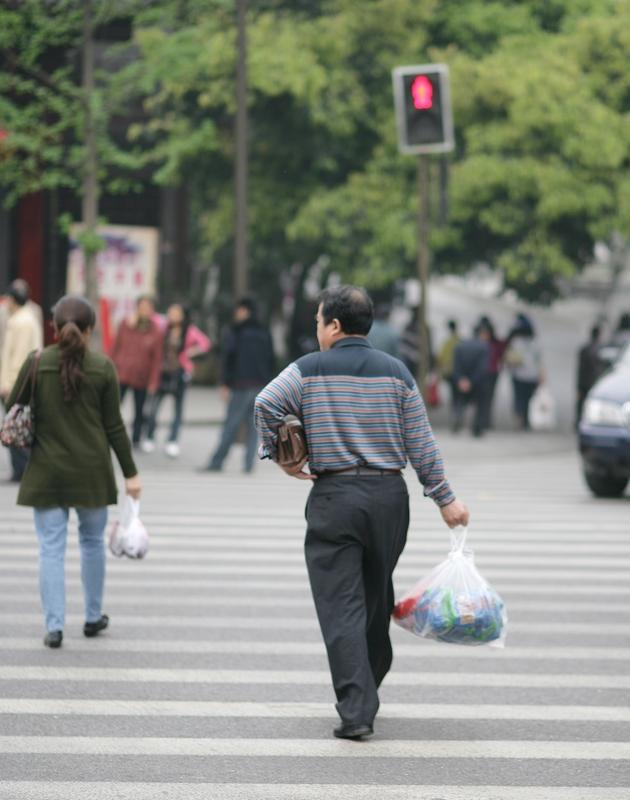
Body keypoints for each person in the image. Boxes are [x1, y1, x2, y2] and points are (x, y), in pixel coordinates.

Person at [254, 285, 469, 740]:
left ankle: (356, 708)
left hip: (335, 498)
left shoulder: (307, 370)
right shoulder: (397, 373)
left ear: (334, 325)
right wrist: (445, 499)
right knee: (374, 597)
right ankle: (369, 682)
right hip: (389, 499)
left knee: (341, 605)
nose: (316, 330)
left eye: (317, 322)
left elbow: (265, 403)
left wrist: (280, 454)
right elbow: (421, 444)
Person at [5, 295, 141, 648]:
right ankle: (93, 617)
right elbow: (115, 427)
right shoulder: (103, 367)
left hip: (47, 473)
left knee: (50, 548)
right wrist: (131, 474)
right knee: (92, 542)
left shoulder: (37, 362)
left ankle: (54, 626)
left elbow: (11, 405)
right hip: (92, 473)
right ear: (90, 329)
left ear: (53, 328)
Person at [202, 297, 275, 473]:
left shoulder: (236, 331)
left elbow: (229, 358)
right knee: (253, 428)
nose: (236, 313)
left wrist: (225, 383)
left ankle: (216, 462)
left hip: (240, 385)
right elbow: (271, 359)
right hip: (260, 385)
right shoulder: (264, 332)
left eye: (239, 310)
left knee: (231, 424)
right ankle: (249, 465)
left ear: (245, 311)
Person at [144, 303, 211, 457]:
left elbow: (205, 344)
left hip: (179, 374)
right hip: (162, 372)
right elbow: (152, 317)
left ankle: (172, 441)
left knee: (178, 410)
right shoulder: (163, 327)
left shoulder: (190, 331)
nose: (171, 314)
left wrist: (189, 352)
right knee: (153, 407)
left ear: (182, 315)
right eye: (170, 311)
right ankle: (149, 437)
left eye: (175, 312)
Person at [0, 283, 44, 481]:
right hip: (18, 380)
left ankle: (22, 469)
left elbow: (18, 358)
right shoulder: (23, 318)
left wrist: (9, 384)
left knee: (16, 425)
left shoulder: (22, 321)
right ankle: (21, 468)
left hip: (16, 382)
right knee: (18, 424)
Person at [111, 295, 163, 447]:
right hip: (121, 372)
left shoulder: (156, 331)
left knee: (139, 409)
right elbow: (115, 347)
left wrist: (154, 381)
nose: (145, 310)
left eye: (148, 308)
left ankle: (136, 438)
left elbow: (157, 359)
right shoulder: (126, 324)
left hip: (142, 376)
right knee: (114, 406)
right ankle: (111, 435)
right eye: (142, 307)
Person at [452, 324, 491, 437]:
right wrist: (472, 381)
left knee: (461, 402)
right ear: (482, 334)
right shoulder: (484, 347)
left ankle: (457, 418)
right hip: (478, 382)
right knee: (480, 405)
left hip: (462, 380)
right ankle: (477, 428)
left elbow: (456, 365)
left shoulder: (460, 345)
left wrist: (461, 379)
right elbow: (482, 367)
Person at [505, 313, 543, 430]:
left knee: (519, 397)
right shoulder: (534, 343)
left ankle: (520, 418)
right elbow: (539, 361)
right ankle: (525, 420)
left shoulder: (516, 342)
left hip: (519, 375)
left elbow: (510, 358)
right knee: (528, 398)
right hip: (532, 375)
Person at [478, 315, 506, 428]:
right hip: (481, 373)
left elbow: (501, 354)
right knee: (481, 398)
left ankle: (486, 420)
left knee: (489, 398)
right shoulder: (478, 344)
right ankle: (482, 420)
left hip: (492, 373)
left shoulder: (495, 344)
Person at [576, 325, 603, 426]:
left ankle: (579, 422)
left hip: (584, 383)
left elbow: (580, 370)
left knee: (581, 405)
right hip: (596, 383)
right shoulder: (601, 349)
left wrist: (578, 386)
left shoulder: (584, 349)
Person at [436, 319, 460, 417]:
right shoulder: (459, 339)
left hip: (449, 371)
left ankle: (455, 410)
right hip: (459, 370)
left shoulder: (446, 341)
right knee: (457, 392)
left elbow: (441, 356)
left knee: (453, 391)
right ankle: (457, 410)